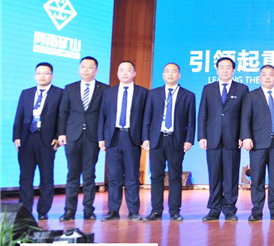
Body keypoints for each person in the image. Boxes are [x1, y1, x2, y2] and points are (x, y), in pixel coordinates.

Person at [142, 62, 196, 221]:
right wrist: (145, 138)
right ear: (163, 75)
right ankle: (156, 211)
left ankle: (174, 211)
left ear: (179, 75)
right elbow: (147, 118)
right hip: (157, 139)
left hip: (176, 139)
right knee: (156, 176)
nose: (170, 74)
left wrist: (189, 139)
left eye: (174, 71)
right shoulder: (153, 94)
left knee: (175, 176)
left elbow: (191, 120)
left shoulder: (188, 95)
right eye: (167, 71)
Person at [197, 57, 249, 222]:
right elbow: (202, 113)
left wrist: (243, 136)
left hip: (233, 139)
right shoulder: (208, 89)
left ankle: (229, 210)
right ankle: (214, 209)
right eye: (221, 67)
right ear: (217, 70)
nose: (225, 70)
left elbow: (245, 115)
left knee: (231, 176)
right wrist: (202, 136)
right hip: (212, 138)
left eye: (228, 67)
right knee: (214, 175)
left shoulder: (242, 89)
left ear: (233, 71)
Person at [57, 56, 108, 221]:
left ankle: (88, 210)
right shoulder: (70, 88)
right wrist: (61, 133)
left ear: (96, 71)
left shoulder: (104, 89)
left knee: (89, 175)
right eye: (83, 67)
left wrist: (102, 137)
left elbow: (105, 115)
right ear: (79, 69)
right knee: (72, 175)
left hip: (92, 137)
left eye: (90, 67)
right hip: (73, 136)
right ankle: (69, 211)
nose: (86, 70)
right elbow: (63, 112)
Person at [240, 64, 274, 221]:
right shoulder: (251, 96)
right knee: (257, 179)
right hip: (257, 143)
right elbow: (245, 118)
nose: (268, 77)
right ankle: (257, 211)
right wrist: (246, 137)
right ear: (260, 77)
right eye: (264, 74)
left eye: (271, 74)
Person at [97, 61, 147, 221]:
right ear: (117, 73)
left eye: (128, 70)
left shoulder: (143, 93)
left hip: (132, 138)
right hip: (113, 137)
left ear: (134, 73)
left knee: (132, 176)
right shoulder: (108, 93)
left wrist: (145, 138)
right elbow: (102, 116)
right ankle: (113, 211)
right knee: (114, 177)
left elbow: (146, 118)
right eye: (121, 70)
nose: (125, 73)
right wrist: (101, 137)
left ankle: (134, 211)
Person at [13, 62, 63, 220]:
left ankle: (43, 211)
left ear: (52, 76)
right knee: (25, 177)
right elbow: (19, 115)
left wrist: (58, 136)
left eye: (46, 73)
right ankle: (24, 210)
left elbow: (62, 117)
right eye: (39, 73)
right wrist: (16, 136)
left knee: (46, 177)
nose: (42, 76)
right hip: (27, 139)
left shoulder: (59, 93)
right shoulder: (26, 93)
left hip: (47, 140)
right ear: (35, 75)